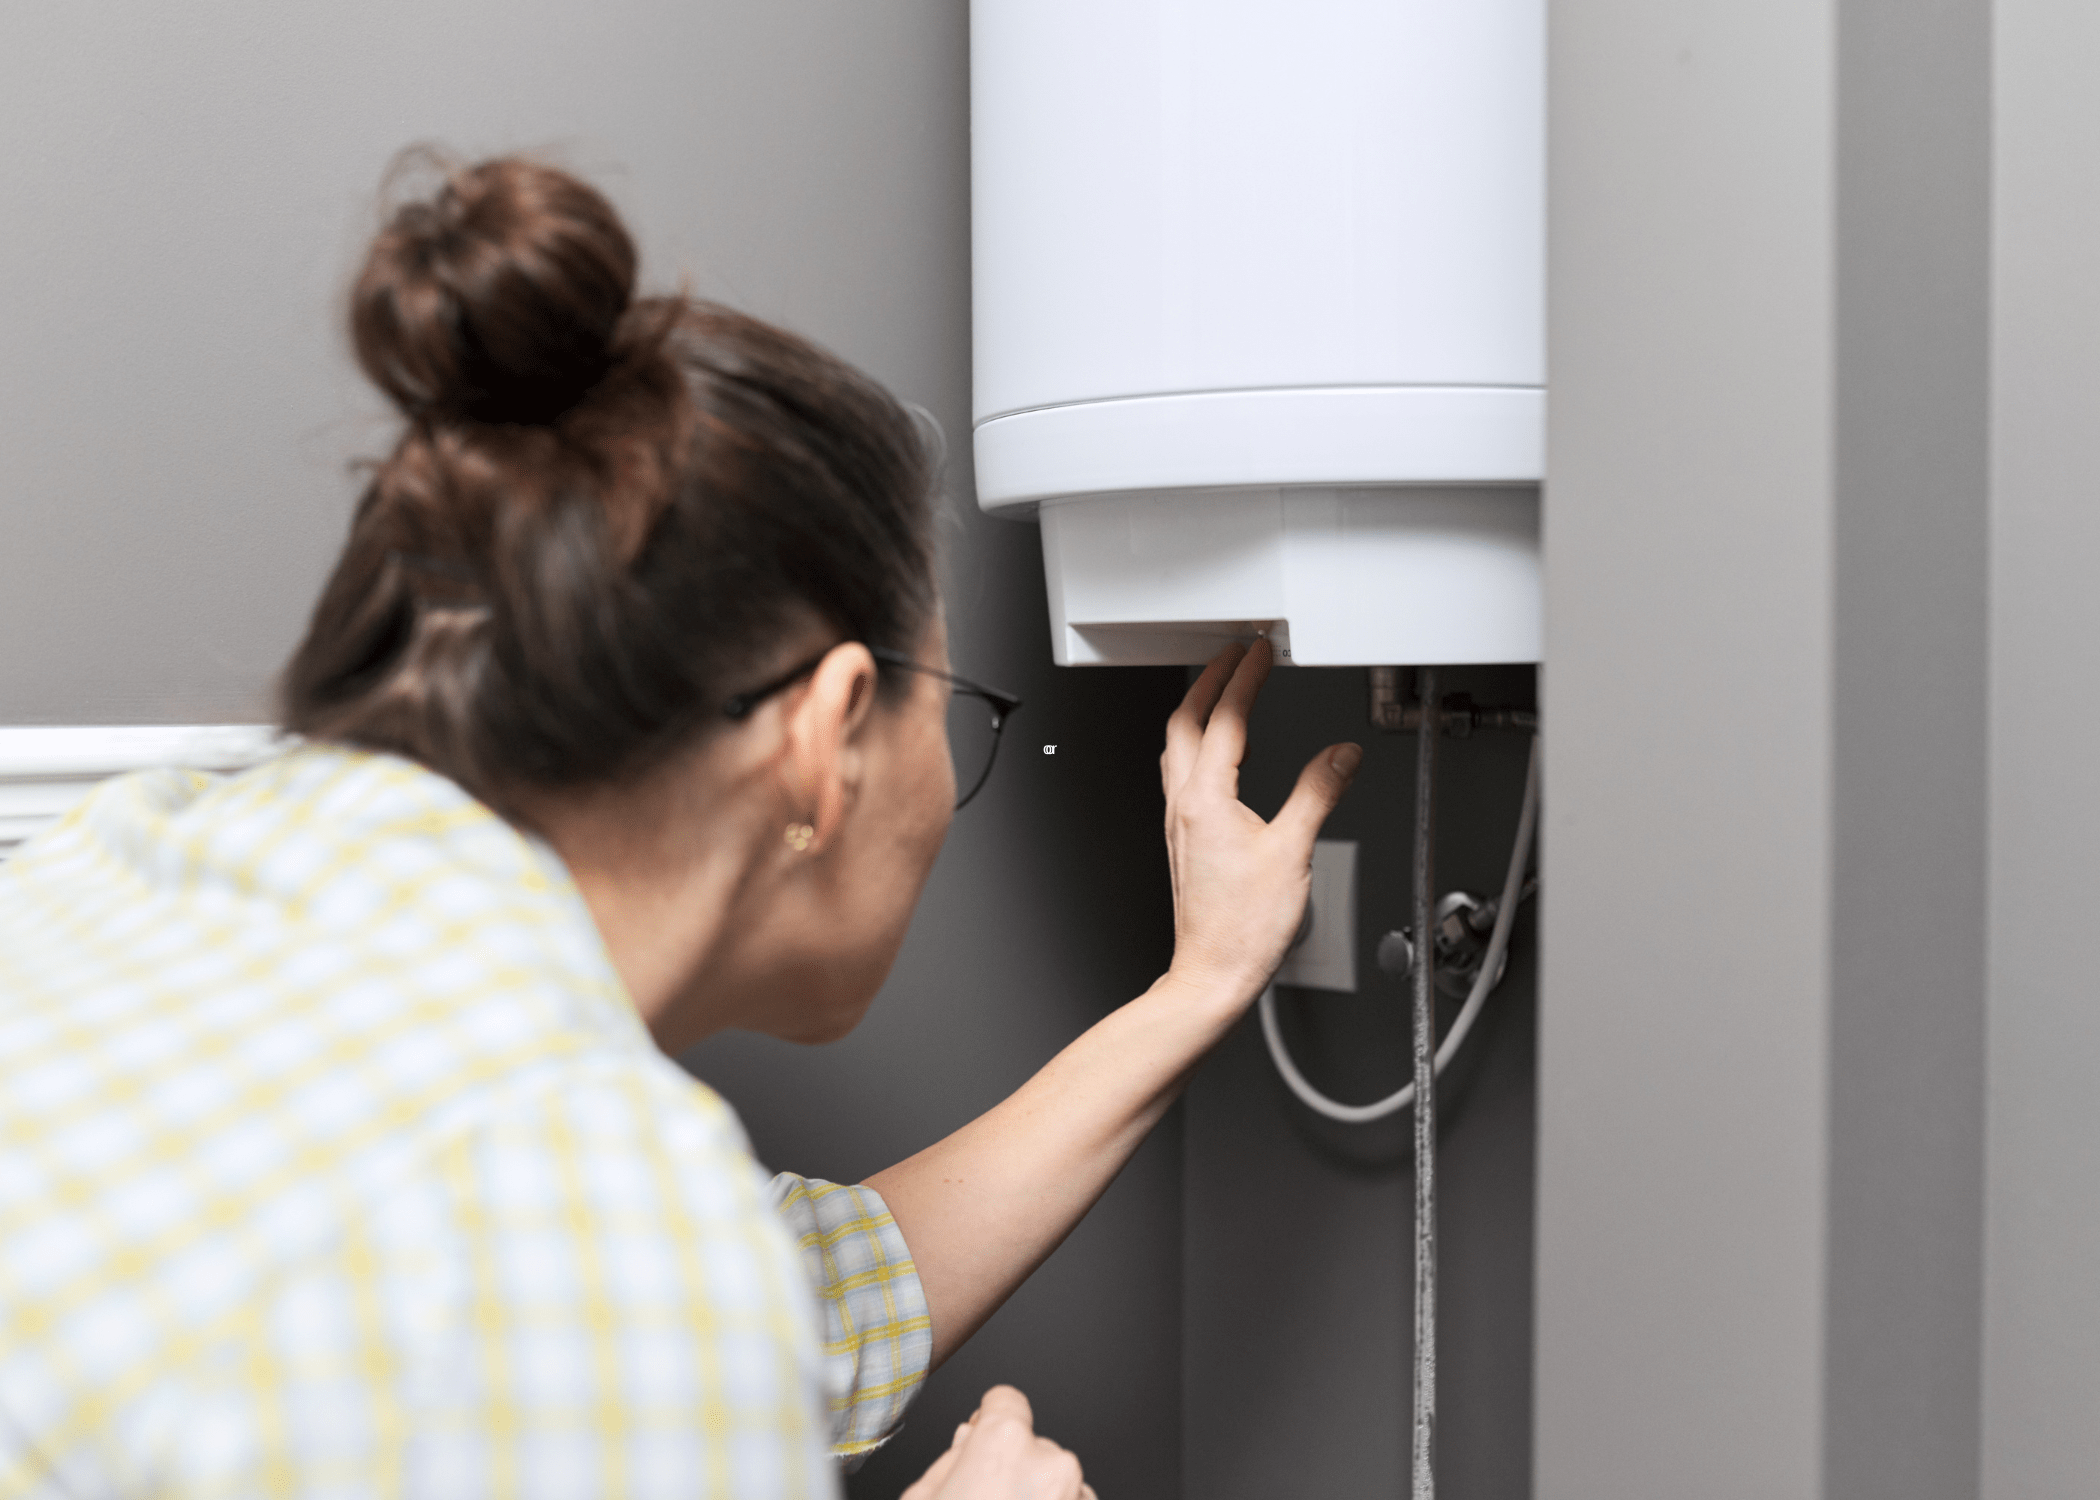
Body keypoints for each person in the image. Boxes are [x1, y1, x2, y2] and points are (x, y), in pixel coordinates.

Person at [0, 156, 1360, 1499]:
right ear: (828, 739)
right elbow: (624, 1286)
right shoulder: (592, 1212)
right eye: (953, 704)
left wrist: (1204, 985)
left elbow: (784, 1305)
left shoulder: (137, 862)